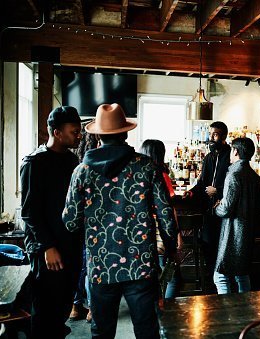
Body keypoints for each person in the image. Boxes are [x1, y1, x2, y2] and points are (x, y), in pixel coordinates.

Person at [63, 103, 177, 339]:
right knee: (147, 330)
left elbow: (71, 221)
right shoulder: (147, 167)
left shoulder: (81, 171)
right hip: (141, 264)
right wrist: (171, 247)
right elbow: (165, 214)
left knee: (102, 332)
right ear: (125, 133)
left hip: (101, 265)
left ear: (97, 135)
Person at [20, 106, 83, 338]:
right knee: (45, 311)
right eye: (74, 132)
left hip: (69, 246)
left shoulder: (71, 160)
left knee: (62, 309)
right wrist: (48, 246)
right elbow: (29, 213)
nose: (79, 136)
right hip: (46, 250)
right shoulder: (34, 163)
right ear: (57, 132)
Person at [213, 137, 260, 294]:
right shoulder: (255, 177)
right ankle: (246, 310)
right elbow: (259, 206)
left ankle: (227, 310)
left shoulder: (234, 174)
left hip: (232, 231)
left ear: (235, 151)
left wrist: (217, 207)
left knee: (220, 276)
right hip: (249, 230)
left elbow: (226, 208)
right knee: (242, 274)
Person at [184, 121, 231, 291]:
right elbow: (202, 181)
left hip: (224, 213)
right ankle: (210, 287)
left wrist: (217, 191)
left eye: (216, 134)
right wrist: (191, 192)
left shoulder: (230, 155)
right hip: (208, 213)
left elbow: (234, 184)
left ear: (224, 136)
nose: (211, 137)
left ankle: (223, 289)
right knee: (209, 249)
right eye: (210, 134)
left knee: (223, 251)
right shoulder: (209, 157)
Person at [139, 139, 184, 300]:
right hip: (161, 231)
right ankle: (167, 314)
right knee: (172, 277)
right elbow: (168, 209)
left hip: (143, 231)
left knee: (152, 277)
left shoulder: (138, 174)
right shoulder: (161, 175)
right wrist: (177, 235)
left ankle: (157, 310)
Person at [70, 122, 98, 323]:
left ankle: (75, 305)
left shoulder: (74, 165)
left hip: (76, 223)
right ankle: (92, 309)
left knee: (78, 266)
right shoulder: (95, 166)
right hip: (94, 225)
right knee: (91, 267)